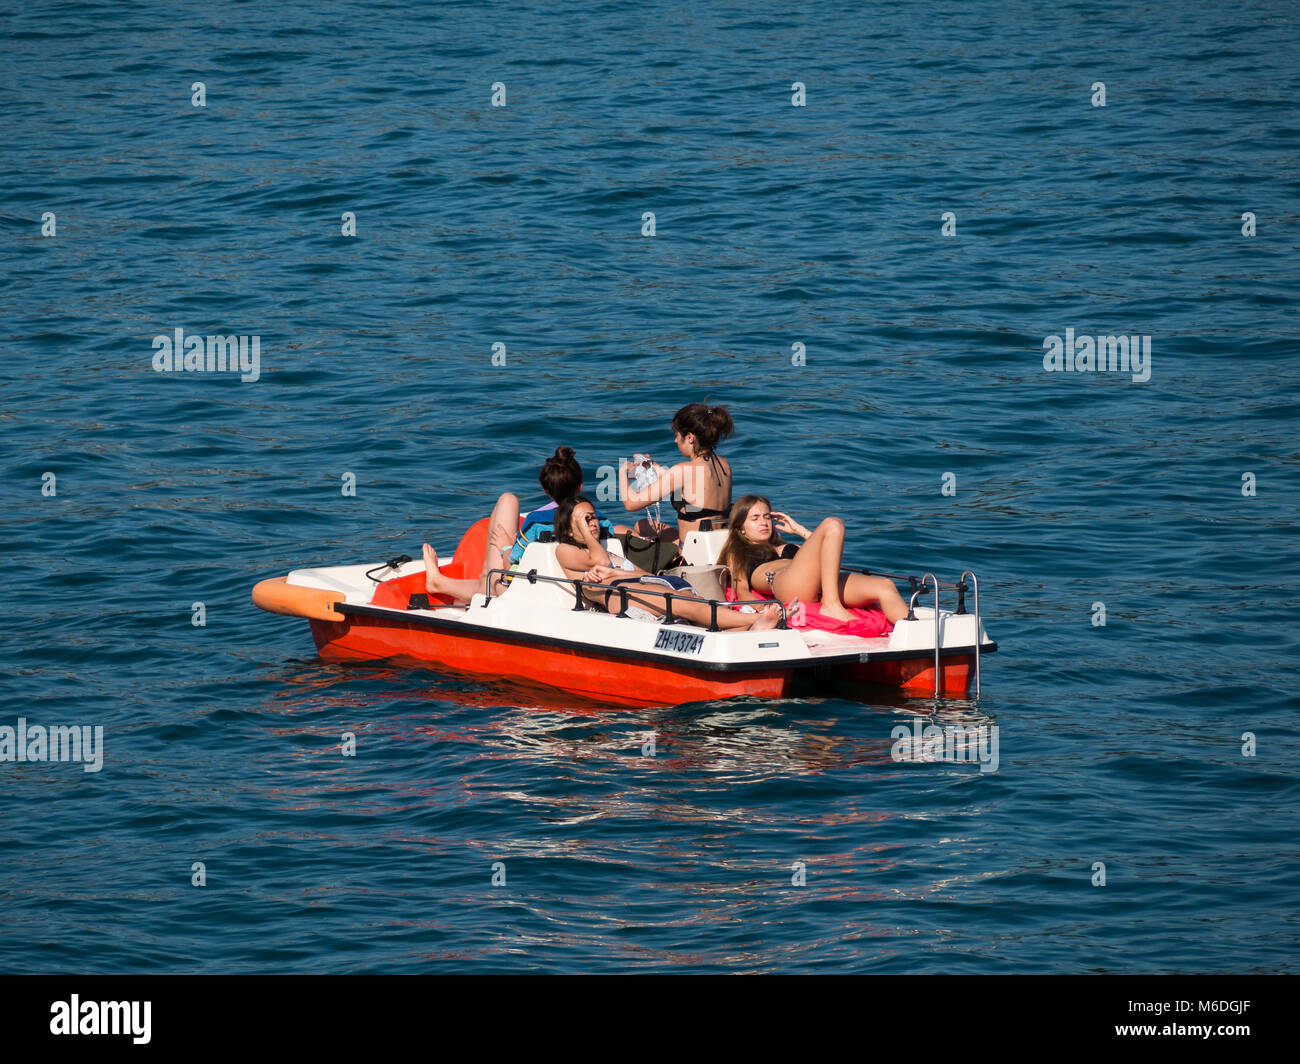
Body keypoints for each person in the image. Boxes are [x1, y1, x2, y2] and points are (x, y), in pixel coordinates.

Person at [553, 497, 782, 631]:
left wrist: (615, 574)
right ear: (568, 527)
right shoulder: (566, 550)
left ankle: (751, 628)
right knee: (687, 606)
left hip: (639, 585)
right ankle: (756, 619)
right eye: (585, 520)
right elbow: (600, 561)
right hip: (621, 596)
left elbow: (641, 573)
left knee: (697, 604)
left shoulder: (604, 547)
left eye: (593, 517)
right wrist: (612, 572)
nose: (592, 523)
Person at [423, 446, 612, 603]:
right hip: (571, 586)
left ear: (545, 489)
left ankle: (441, 582)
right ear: (580, 486)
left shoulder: (537, 522)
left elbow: (512, 563)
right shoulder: (600, 520)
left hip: (524, 589)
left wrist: (506, 545)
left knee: (508, 500)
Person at [718, 495, 908, 624]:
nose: (764, 522)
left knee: (885, 586)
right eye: (755, 518)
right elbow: (741, 591)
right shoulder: (738, 550)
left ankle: (920, 640)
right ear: (740, 527)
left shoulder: (786, 545)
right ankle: (831, 606)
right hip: (784, 584)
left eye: (767, 516)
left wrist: (798, 530)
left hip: (816, 585)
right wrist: (766, 610)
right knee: (832, 524)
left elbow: (829, 555)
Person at [618, 403, 735, 542]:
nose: (675, 440)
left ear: (690, 438)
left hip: (691, 553)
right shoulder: (724, 464)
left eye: (677, 435)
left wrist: (622, 471)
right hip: (718, 545)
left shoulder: (683, 470)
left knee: (618, 529)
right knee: (642, 525)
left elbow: (630, 504)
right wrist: (654, 467)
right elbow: (694, 495)